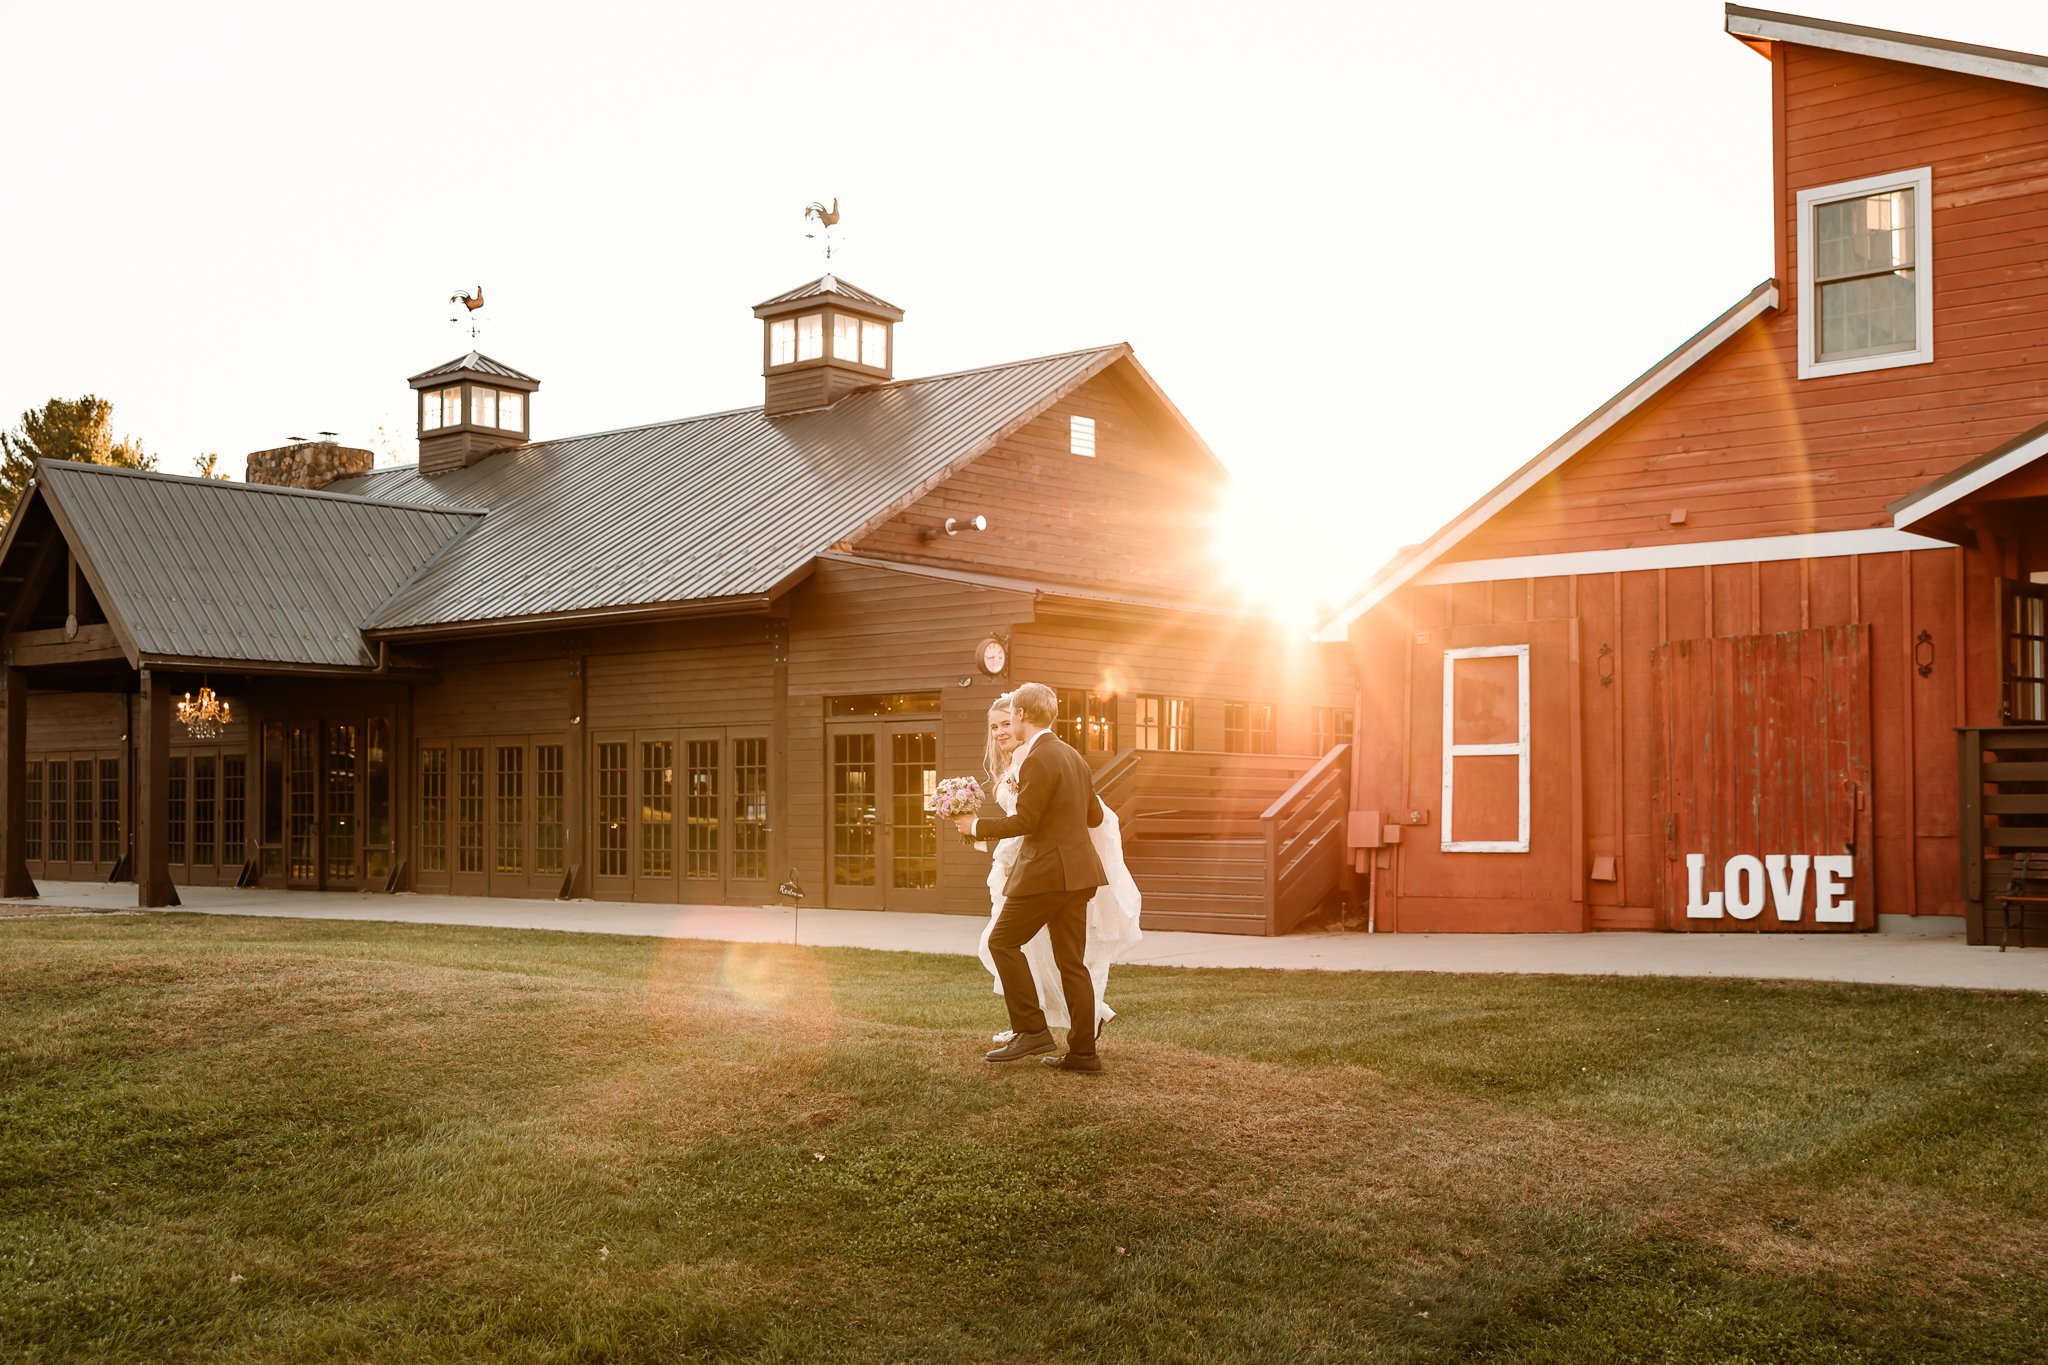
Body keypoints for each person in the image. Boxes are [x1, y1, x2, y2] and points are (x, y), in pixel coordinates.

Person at [953, 681, 1123, 1074]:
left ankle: (1031, 1031)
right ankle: (1083, 1055)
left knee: (1002, 941)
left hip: (1047, 873)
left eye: (1011, 714)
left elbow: (1027, 820)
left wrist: (975, 826)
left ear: (1023, 715)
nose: (1008, 722)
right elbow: (1094, 817)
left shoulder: (1037, 759)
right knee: (1072, 963)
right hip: (1079, 875)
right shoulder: (1071, 755)